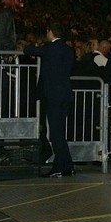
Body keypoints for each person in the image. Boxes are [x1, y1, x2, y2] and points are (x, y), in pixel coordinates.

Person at [24, 21, 77, 177]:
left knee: (55, 134)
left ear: (51, 32)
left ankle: (59, 167)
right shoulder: (69, 50)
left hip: (53, 96)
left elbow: (28, 50)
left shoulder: (50, 48)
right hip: (65, 94)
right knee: (59, 132)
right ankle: (67, 165)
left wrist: (31, 46)